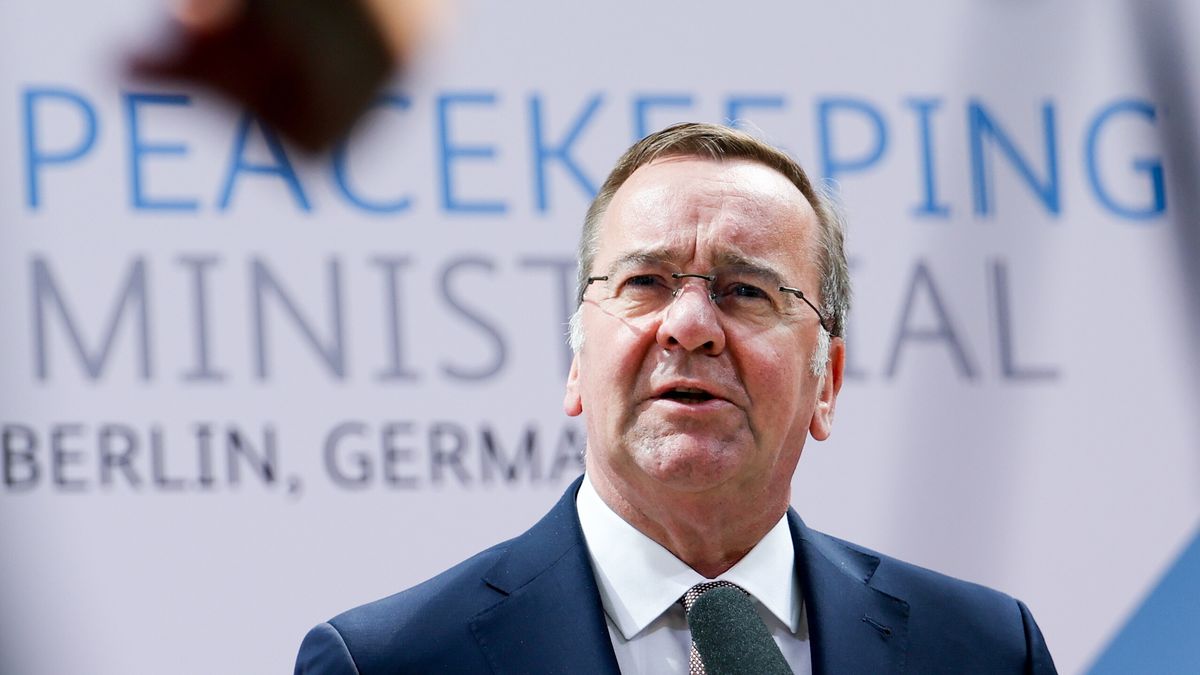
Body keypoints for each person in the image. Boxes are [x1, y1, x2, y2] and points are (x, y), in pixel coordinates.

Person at [294, 123, 1057, 674]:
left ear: (826, 383)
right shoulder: (389, 661)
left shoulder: (985, 648)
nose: (689, 326)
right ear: (575, 363)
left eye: (746, 290)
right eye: (645, 282)